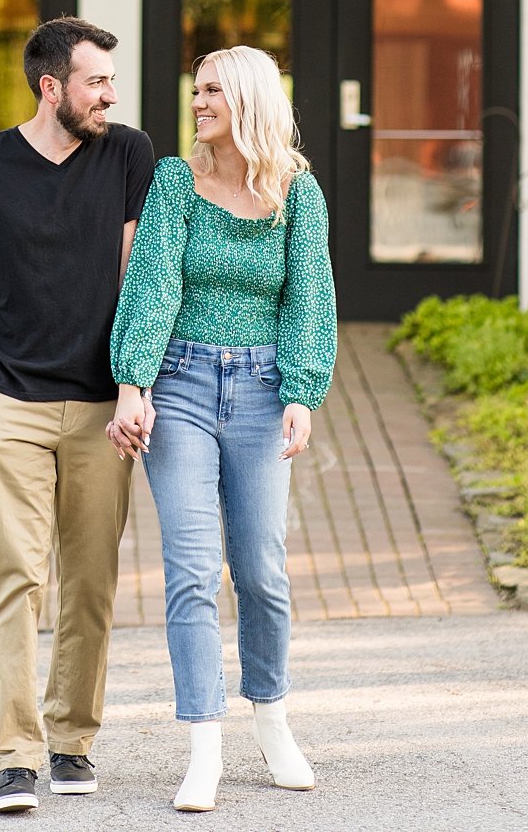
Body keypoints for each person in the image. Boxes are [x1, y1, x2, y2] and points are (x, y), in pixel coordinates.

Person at [0, 17, 158, 816]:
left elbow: (143, 282)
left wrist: (137, 384)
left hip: (105, 408)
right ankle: (14, 756)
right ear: (51, 86)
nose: (111, 95)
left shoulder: (130, 154)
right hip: (10, 407)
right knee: (18, 577)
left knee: (91, 583)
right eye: (98, 80)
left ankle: (70, 740)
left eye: (111, 81)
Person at [108, 44, 337, 814]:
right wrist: (133, 383)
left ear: (246, 99)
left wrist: (302, 391)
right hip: (180, 384)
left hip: (264, 389)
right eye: (195, 88)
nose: (197, 100)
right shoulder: (175, 182)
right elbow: (152, 285)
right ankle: (203, 743)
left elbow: (309, 298)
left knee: (263, 570)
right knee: (193, 571)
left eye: (210, 89)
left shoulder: (297, 196)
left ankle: (271, 719)